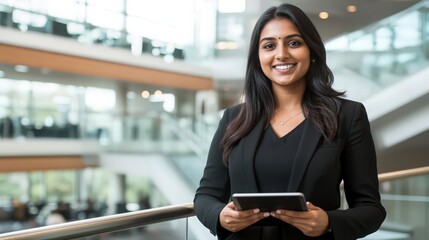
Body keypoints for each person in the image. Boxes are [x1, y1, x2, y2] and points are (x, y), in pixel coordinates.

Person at [193, 3, 386, 240]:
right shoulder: (234, 118)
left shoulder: (348, 115)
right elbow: (205, 196)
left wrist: (328, 222)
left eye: (294, 43)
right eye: (269, 46)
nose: (281, 54)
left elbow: (371, 210)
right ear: (258, 57)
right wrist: (221, 216)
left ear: (312, 51)